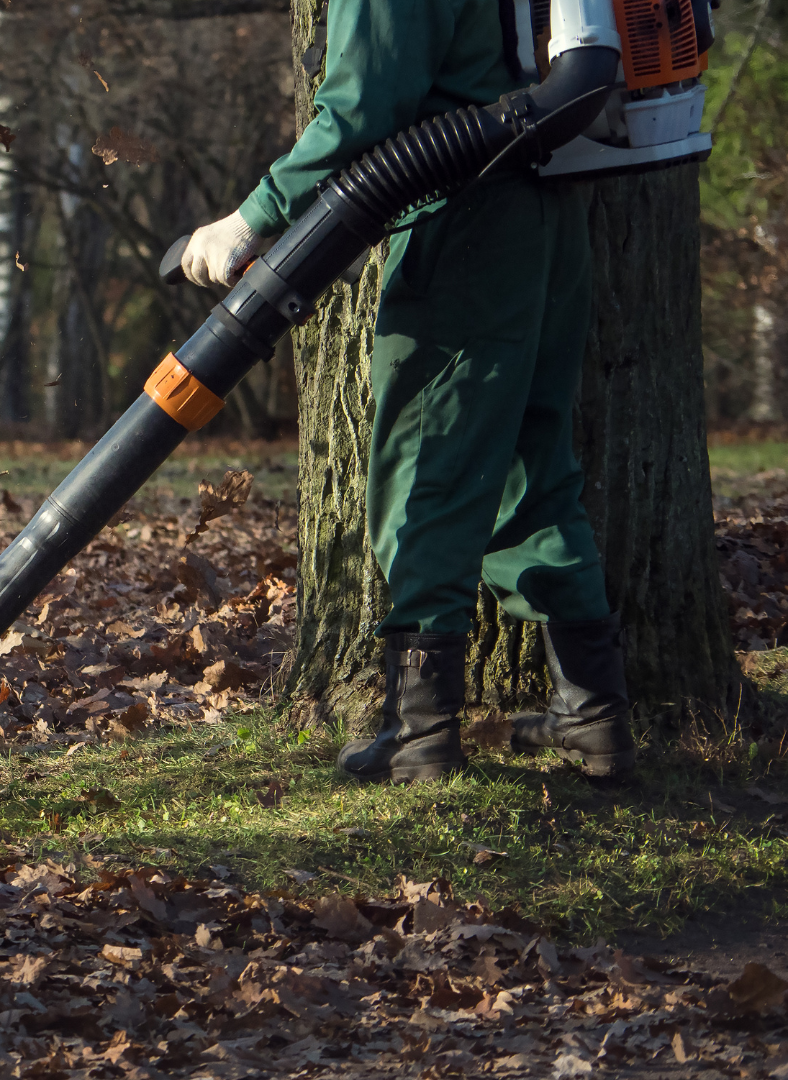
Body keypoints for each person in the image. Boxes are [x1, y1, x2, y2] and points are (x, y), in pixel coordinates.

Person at [179, 0, 634, 783]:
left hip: (465, 221)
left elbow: (362, 108)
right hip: (549, 217)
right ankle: (594, 719)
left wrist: (252, 218)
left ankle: (421, 734)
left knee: (427, 470)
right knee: (532, 468)